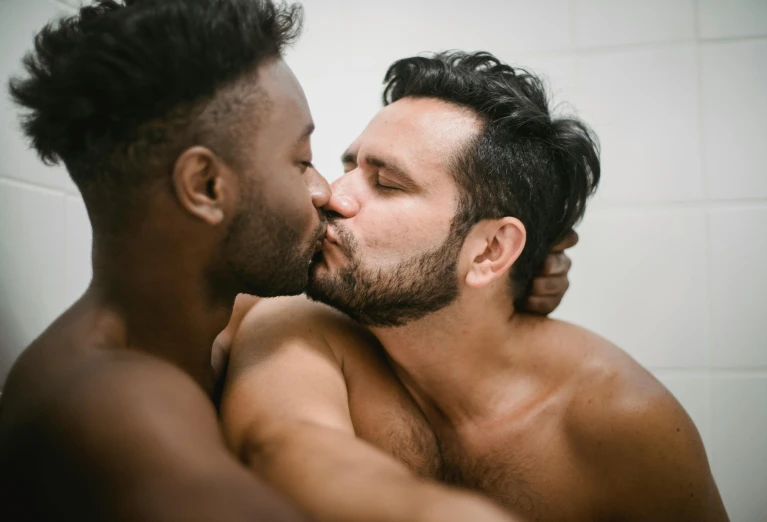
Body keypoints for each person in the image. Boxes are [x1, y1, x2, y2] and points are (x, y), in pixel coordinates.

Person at [0, 2, 523, 521]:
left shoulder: (194, 333)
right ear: (206, 187)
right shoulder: (116, 406)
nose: (325, 192)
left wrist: (513, 271)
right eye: (300, 163)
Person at [221, 51, 730, 522]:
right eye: (351, 165)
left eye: (388, 183)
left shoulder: (623, 425)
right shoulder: (302, 326)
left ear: (489, 251)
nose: (331, 193)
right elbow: (286, 448)